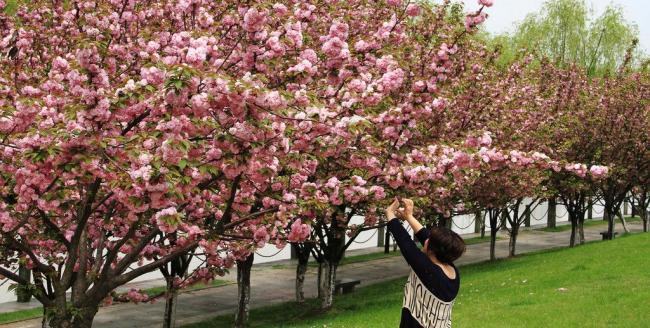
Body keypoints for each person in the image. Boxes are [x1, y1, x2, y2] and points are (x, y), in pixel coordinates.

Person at [385, 198, 466, 328]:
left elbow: (405, 242)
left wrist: (390, 213)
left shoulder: (428, 271)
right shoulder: (451, 269)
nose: (426, 239)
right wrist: (409, 216)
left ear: (433, 249)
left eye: (430, 240)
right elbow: (425, 236)